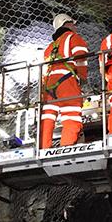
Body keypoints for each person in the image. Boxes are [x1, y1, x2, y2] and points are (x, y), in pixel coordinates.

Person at [40, 13, 89, 149]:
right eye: (73, 23)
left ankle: (44, 148)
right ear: (66, 24)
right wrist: (83, 79)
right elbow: (81, 58)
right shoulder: (73, 37)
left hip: (49, 86)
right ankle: (66, 147)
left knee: (47, 119)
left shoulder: (49, 47)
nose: (75, 26)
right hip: (67, 82)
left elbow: (44, 70)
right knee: (71, 118)